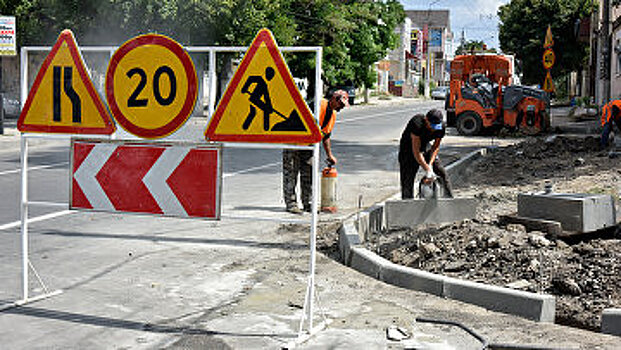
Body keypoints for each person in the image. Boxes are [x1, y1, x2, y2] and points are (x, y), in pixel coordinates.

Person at [283, 90, 349, 213]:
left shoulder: (333, 115)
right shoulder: (317, 105)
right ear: (334, 99)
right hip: (293, 142)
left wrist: (329, 155)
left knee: (309, 173)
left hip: (309, 145)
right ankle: (291, 204)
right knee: (291, 174)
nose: (341, 108)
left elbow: (326, 136)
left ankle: (308, 203)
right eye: (340, 104)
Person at [398, 109, 453, 199]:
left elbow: (435, 147)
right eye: (432, 126)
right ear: (426, 120)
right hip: (408, 150)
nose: (434, 129)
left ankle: (449, 198)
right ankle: (407, 205)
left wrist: (430, 165)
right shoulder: (417, 123)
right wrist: (427, 169)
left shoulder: (441, 127)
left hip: (425, 146)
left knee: (441, 172)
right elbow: (416, 151)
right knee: (408, 179)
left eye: (436, 126)